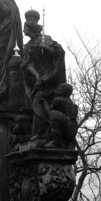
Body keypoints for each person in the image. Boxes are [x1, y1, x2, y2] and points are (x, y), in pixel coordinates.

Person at [21, 9, 66, 138]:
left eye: (25, 28)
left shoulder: (45, 39)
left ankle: (44, 130)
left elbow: (59, 52)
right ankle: (42, 130)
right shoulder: (27, 46)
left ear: (31, 28)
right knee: (36, 101)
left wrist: (45, 47)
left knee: (41, 101)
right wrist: (35, 75)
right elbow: (27, 64)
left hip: (50, 75)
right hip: (38, 77)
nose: (23, 31)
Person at [44, 83, 78, 149]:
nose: (57, 88)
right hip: (72, 130)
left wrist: (44, 101)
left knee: (53, 113)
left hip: (69, 130)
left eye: (60, 87)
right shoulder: (68, 100)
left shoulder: (58, 100)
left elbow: (48, 111)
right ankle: (57, 140)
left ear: (63, 90)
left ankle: (56, 143)